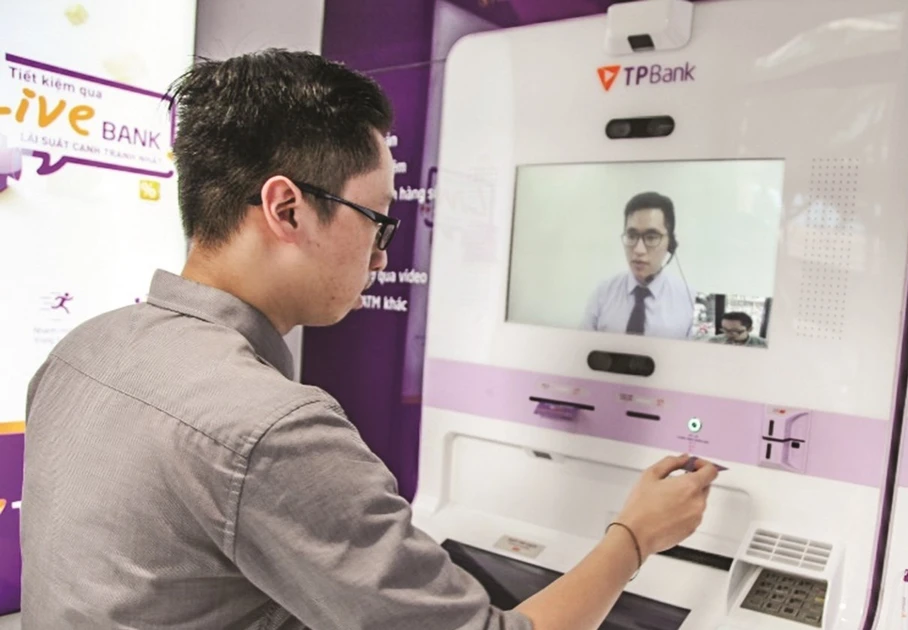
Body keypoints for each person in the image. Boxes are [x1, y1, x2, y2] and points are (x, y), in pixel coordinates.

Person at [20, 49, 719, 630]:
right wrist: (636, 535)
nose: (382, 255)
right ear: (287, 208)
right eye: (377, 220)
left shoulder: (85, 348)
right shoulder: (272, 430)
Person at [581, 192, 694, 339]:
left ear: (670, 244)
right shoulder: (602, 294)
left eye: (651, 237)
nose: (638, 250)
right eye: (632, 236)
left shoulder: (689, 301)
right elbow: (583, 346)